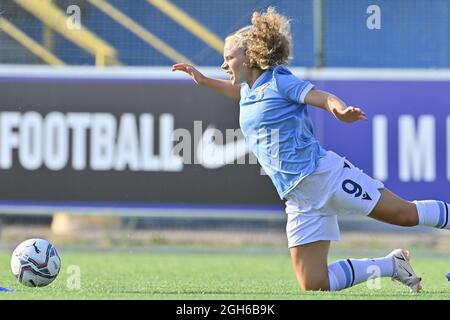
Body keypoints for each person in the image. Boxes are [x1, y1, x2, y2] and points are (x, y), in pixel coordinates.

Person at [172, 7, 447, 293]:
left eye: (228, 57)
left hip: (325, 177)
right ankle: (394, 265)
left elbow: (322, 97)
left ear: (251, 57)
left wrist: (339, 111)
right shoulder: (248, 90)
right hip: (299, 198)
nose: (224, 64)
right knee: (314, 283)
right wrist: (204, 81)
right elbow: (237, 91)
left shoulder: (279, 81)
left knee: (404, 215)